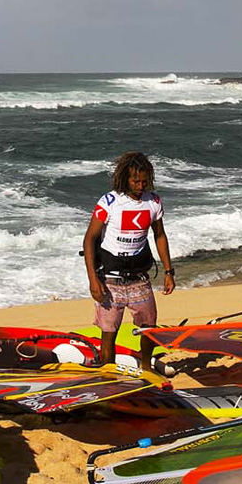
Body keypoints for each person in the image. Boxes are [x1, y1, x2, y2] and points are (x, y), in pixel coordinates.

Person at [83, 151, 173, 370]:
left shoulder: (153, 202)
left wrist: (169, 272)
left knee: (149, 328)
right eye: (135, 181)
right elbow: (89, 239)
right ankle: (108, 373)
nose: (140, 186)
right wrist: (93, 280)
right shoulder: (109, 201)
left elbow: (159, 235)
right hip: (110, 279)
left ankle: (146, 368)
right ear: (125, 178)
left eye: (144, 181)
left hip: (139, 278)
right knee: (109, 332)